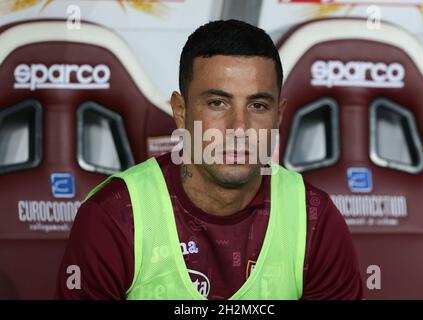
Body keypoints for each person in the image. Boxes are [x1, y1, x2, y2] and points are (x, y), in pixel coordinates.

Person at [55, 19, 363, 300]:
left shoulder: (314, 219)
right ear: (181, 111)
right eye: (217, 103)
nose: (239, 128)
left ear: (278, 115)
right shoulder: (114, 217)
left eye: (257, 105)